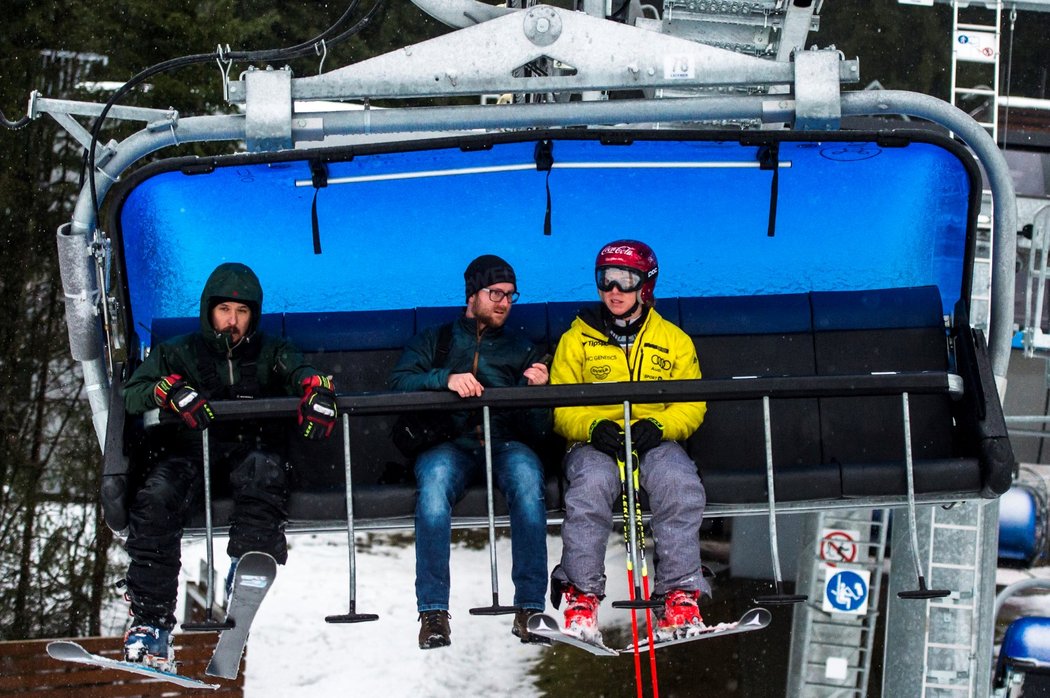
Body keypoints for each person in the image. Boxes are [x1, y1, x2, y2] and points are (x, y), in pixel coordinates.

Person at [120, 262, 338, 670]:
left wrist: (314, 387)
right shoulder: (178, 350)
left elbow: (299, 372)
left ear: (253, 315)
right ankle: (150, 621)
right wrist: (166, 391)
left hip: (250, 450)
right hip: (189, 452)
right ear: (209, 311)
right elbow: (134, 393)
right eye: (224, 311)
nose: (232, 321)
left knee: (263, 473)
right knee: (157, 497)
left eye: (242, 312)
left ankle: (244, 582)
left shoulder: (273, 350)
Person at [549, 239, 710, 644]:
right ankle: (580, 596)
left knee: (679, 485)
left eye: (625, 280)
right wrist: (591, 427)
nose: (614, 291)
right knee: (590, 489)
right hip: (596, 445)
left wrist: (659, 426)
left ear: (646, 285)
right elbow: (557, 405)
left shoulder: (673, 340)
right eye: (606, 280)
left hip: (653, 443)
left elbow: (692, 404)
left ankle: (679, 594)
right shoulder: (577, 340)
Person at [388, 254, 552, 650]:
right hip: (450, 444)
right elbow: (398, 384)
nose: (503, 303)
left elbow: (541, 431)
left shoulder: (522, 349)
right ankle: (433, 613)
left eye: (510, 296)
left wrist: (536, 393)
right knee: (434, 486)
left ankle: (530, 608)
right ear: (472, 294)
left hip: (506, 443)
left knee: (529, 481)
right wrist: (446, 379)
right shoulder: (437, 339)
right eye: (495, 293)